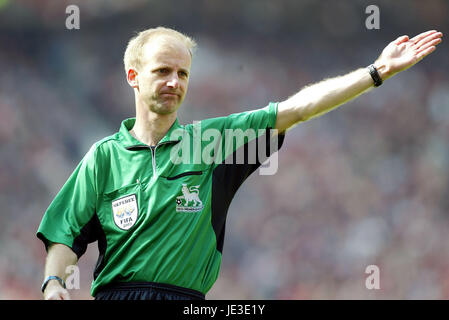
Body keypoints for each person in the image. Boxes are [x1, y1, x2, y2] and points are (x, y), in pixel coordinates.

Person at [37, 26, 443, 300]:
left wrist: (376, 72)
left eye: (183, 73)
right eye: (162, 71)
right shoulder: (103, 157)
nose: (174, 82)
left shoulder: (213, 142)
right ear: (133, 76)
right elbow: (65, 234)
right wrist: (54, 281)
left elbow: (295, 109)